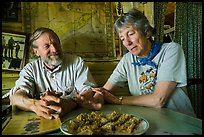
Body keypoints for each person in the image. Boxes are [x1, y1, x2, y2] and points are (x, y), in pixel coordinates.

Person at [92, 9, 196, 117]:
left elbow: (158, 100)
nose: (127, 42)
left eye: (131, 34)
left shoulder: (171, 50)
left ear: (147, 32)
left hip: (179, 121)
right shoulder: (127, 59)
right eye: (122, 39)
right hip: (149, 120)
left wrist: (118, 100)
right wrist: (96, 98)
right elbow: (105, 90)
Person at [9, 27, 103, 120]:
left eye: (56, 43)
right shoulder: (30, 69)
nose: (54, 49)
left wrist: (71, 102)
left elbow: (90, 91)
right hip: (44, 120)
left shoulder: (76, 62)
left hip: (75, 117)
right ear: (36, 52)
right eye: (47, 46)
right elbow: (15, 98)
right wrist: (35, 104)